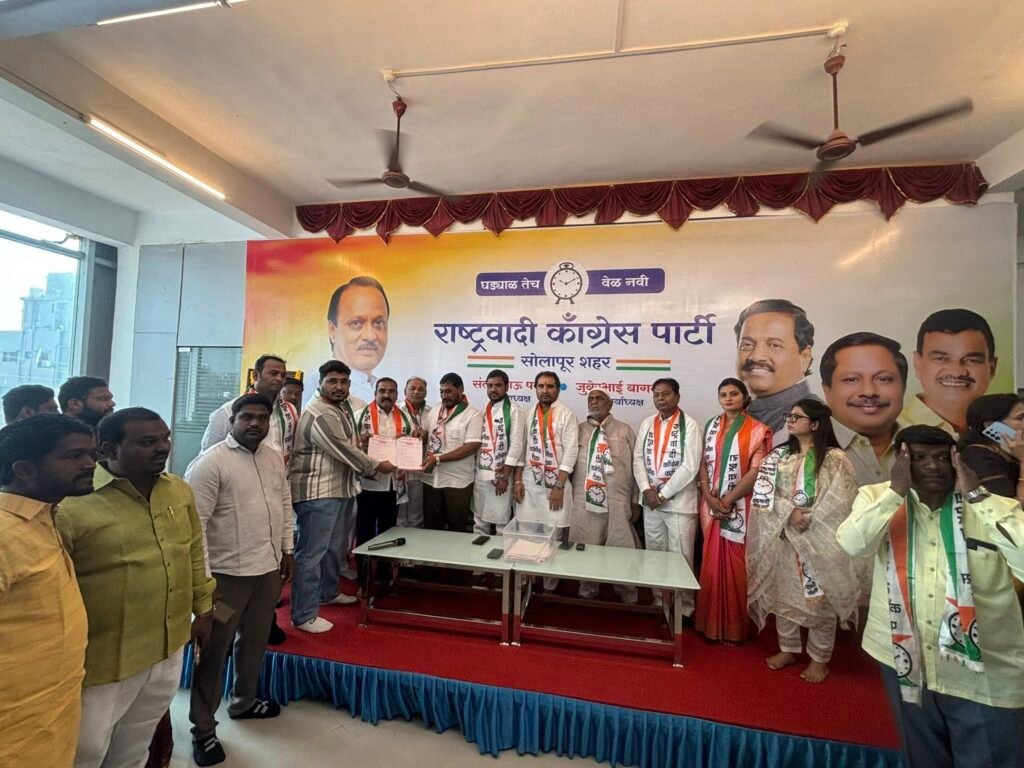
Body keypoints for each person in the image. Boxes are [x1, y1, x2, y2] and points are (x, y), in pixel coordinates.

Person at [838, 426, 1024, 768]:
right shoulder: (876, 498)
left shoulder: (994, 506)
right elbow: (853, 544)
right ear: (900, 462)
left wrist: (977, 496)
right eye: (918, 457)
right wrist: (895, 492)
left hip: (982, 671)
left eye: (942, 457)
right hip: (905, 660)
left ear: (957, 461)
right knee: (924, 758)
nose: (933, 466)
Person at [56, 408, 216, 768]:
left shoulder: (178, 490)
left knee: (136, 744)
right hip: (101, 659)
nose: (162, 448)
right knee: (86, 751)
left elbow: (193, 550)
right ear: (108, 449)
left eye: (164, 438)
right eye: (147, 442)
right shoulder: (71, 504)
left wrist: (204, 608)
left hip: (167, 646)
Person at [184, 393, 293, 766]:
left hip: (266, 571)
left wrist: (287, 549)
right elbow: (195, 528)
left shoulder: (272, 457)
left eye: (262, 417)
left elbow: (284, 504)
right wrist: (204, 582)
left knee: (254, 642)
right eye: (247, 417)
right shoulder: (210, 463)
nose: (255, 424)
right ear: (231, 421)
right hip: (225, 578)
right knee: (214, 653)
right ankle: (203, 729)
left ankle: (244, 702)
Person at [0, 414, 95, 768]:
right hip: (13, 732)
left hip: (51, 716)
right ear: (24, 469)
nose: (90, 464)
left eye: (91, 454)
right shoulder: (4, 532)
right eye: (74, 456)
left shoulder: (44, 517)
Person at [747, 398, 859, 683]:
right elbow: (764, 493)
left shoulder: (835, 459)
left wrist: (810, 521)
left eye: (797, 417)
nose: (790, 420)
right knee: (784, 595)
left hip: (819, 540)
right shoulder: (777, 457)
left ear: (816, 424)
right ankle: (788, 648)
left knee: (819, 600)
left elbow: (842, 500)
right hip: (785, 538)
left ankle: (819, 658)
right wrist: (790, 512)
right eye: (789, 415)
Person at [289, 360, 393, 633]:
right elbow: (344, 450)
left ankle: (328, 592)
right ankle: (303, 615)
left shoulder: (339, 408)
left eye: (344, 382)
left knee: (334, 548)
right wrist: (376, 465)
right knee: (311, 554)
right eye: (332, 381)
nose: (339, 386)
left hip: (339, 490)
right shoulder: (320, 412)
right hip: (318, 494)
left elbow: (349, 444)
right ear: (321, 382)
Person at [694, 378, 772, 643]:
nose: (728, 398)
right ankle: (709, 625)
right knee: (710, 563)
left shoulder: (757, 430)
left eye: (734, 393)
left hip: (739, 506)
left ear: (745, 397)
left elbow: (756, 470)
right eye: (723, 394)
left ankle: (733, 629)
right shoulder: (710, 427)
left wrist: (728, 500)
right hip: (710, 504)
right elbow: (702, 463)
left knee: (736, 566)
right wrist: (708, 495)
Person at [633, 377, 702, 612]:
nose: (660, 398)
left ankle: (684, 609)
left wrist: (662, 495)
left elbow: (690, 466)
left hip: (678, 504)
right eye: (657, 394)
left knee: (681, 556)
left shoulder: (690, 425)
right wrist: (646, 489)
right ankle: (659, 602)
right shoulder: (647, 424)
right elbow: (638, 459)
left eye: (666, 394)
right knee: (654, 553)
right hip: (651, 502)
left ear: (677, 396)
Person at [569, 388, 640, 602]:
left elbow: (638, 467)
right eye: (590, 399)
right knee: (586, 544)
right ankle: (587, 589)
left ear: (610, 404)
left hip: (618, 499)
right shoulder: (578, 430)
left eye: (599, 398)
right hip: (585, 500)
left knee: (621, 546)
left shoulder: (624, 430)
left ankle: (627, 592)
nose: (594, 402)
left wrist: (635, 501)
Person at [821, 332, 908, 488]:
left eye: (883, 379)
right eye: (851, 380)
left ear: (904, 387)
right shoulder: (796, 453)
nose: (869, 392)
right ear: (827, 390)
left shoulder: (939, 448)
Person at [355, 377, 414, 583]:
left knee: (388, 532)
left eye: (391, 391)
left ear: (397, 394)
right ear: (375, 393)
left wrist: (411, 442)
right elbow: (351, 447)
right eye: (382, 391)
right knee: (365, 532)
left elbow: (412, 444)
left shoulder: (406, 417)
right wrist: (361, 443)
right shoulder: (360, 416)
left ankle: (383, 575)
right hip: (368, 484)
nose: (386, 395)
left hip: (393, 484)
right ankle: (363, 579)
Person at [901, 309, 996, 436]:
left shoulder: (1010, 434)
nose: (956, 372)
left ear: (992, 368)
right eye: (941, 359)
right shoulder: (885, 434)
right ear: (918, 364)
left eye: (971, 360)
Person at [734, 299, 814, 444]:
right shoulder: (736, 414)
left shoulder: (812, 419)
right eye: (747, 345)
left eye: (774, 345)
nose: (756, 356)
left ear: (804, 357)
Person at [513, 371, 579, 534]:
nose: (545, 390)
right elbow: (521, 449)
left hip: (556, 484)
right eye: (541, 386)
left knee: (553, 535)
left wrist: (559, 486)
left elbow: (571, 452)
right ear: (535, 388)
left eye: (550, 386)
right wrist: (517, 481)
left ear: (558, 389)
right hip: (529, 483)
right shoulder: (528, 414)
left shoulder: (567, 415)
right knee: (525, 532)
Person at [201, 354, 298, 460]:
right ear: (255, 376)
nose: (279, 379)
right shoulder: (228, 410)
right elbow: (208, 454)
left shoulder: (290, 410)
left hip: (280, 469)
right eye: (273, 374)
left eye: (283, 375)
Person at [421, 372, 482, 533]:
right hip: (431, 479)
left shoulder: (473, 414)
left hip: (457, 482)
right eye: (441, 392)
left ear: (460, 389)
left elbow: (471, 446)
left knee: (456, 528)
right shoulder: (435, 410)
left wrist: (438, 459)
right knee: (432, 527)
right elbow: (427, 433)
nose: (444, 396)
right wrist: (417, 437)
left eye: (448, 391)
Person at [472, 369, 525, 537]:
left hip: (502, 474)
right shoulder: (484, 410)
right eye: (490, 386)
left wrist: (504, 476)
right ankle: (477, 551)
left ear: (507, 387)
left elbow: (517, 445)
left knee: (501, 521)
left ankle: (500, 553)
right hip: (482, 472)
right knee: (479, 519)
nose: (493, 389)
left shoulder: (514, 411)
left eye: (498, 385)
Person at [327, 276, 390, 404]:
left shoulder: (389, 394)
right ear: (332, 330)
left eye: (378, 323)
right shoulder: (316, 388)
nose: (370, 336)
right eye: (356, 323)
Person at [958, 394, 1024, 503]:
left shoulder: (1010, 452)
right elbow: (1009, 506)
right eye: (1020, 418)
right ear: (991, 425)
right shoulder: (977, 457)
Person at [398, 376, 432, 529]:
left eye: (420, 389)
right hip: (399, 470)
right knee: (398, 513)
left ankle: (414, 540)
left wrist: (426, 435)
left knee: (416, 513)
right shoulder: (395, 410)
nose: (416, 392)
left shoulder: (432, 413)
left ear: (426, 392)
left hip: (420, 470)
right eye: (412, 388)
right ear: (405, 391)